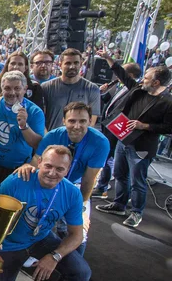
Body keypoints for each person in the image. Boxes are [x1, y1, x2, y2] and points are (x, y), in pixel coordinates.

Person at [0, 146, 90, 281]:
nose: (52, 173)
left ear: (67, 170)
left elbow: (76, 235)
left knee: (81, 272)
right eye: (48, 166)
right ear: (39, 163)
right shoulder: (16, 182)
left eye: (60, 169)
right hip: (10, 244)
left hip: (42, 239)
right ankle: (18, 264)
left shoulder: (71, 193)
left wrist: (55, 256)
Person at [14, 103, 109, 255]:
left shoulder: (100, 143)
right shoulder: (53, 136)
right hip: (51, 182)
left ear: (90, 121)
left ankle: (75, 261)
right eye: (72, 121)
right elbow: (37, 161)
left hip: (76, 186)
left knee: (80, 231)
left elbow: (88, 180)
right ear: (64, 121)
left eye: (82, 121)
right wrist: (27, 168)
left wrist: (81, 208)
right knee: (43, 221)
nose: (77, 126)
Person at [95, 54, 172, 227]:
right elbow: (123, 75)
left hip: (142, 146)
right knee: (120, 174)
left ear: (156, 82)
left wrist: (144, 126)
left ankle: (136, 212)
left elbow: (169, 127)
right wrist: (109, 59)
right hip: (123, 140)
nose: (142, 80)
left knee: (137, 180)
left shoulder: (168, 103)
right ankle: (119, 204)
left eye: (146, 78)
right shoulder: (139, 90)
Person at [0, 71, 45, 185]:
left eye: (17, 88)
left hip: (20, 170)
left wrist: (24, 126)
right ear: (1, 88)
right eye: (7, 88)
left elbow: (38, 145)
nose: (12, 93)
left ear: (25, 89)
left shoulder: (34, 111)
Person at [93, 63, 142, 197]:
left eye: (121, 72)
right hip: (109, 127)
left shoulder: (136, 90)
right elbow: (114, 104)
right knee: (107, 159)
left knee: (111, 161)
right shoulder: (121, 87)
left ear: (129, 75)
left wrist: (108, 59)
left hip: (118, 130)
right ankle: (102, 187)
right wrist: (103, 93)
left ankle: (105, 188)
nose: (116, 75)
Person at [41, 48, 100, 130]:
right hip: (52, 138)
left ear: (81, 64)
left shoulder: (92, 89)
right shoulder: (46, 87)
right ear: (60, 64)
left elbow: (91, 122)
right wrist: (48, 138)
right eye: (68, 63)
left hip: (79, 139)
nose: (72, 66)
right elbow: (39, 118)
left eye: (76, 63)